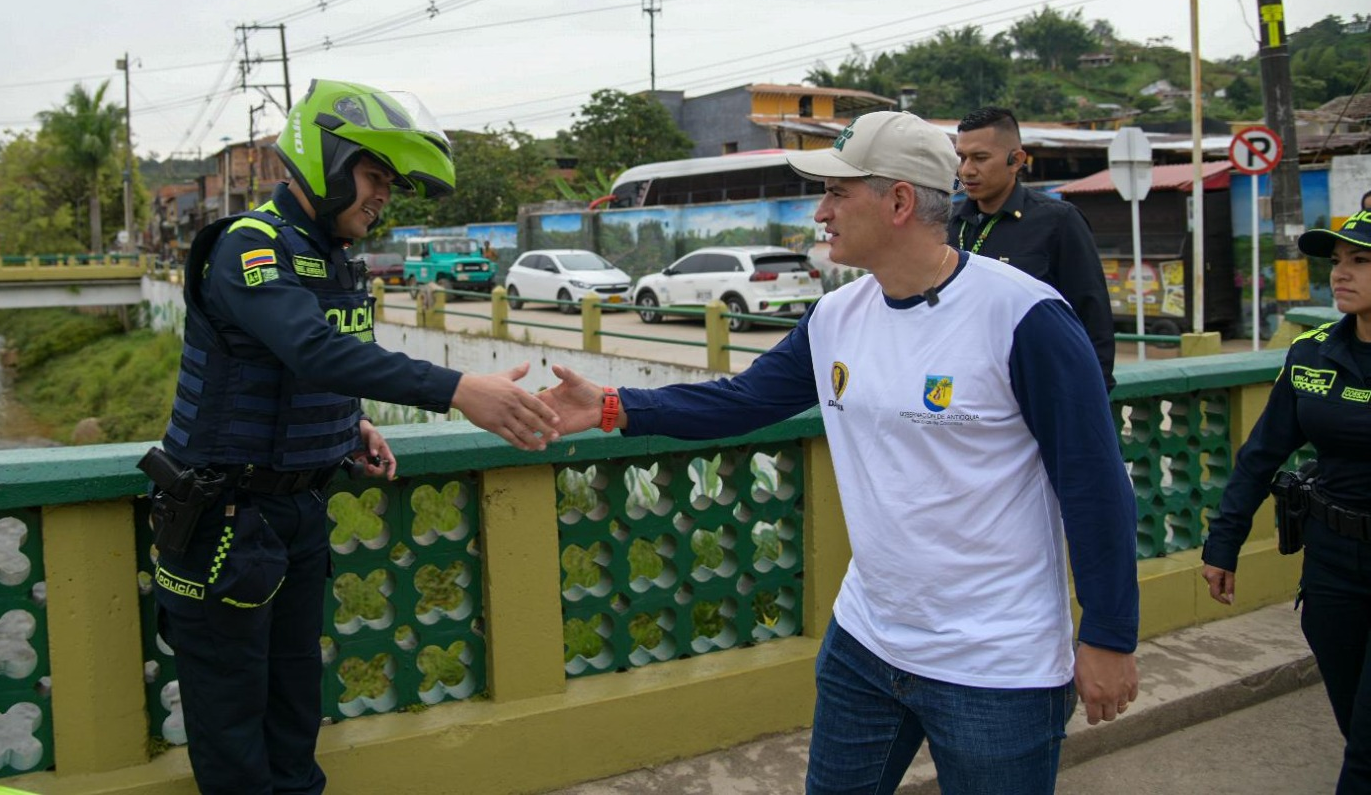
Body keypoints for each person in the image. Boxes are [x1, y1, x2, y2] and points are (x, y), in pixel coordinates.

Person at [535, 111, 1140, 795]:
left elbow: (1093, 482)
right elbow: (744, 400)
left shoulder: (1022, 316)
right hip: (866, 644)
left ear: (900, 202)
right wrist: (615, 406)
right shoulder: (836, 317)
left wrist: (1109, 634)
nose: (819, 212)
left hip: (992, 664)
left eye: (837, 194)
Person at [150, 79, 559, 795]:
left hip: (299, 514)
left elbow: (303, 367)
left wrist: (349, 422)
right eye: (374, 177)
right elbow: (311, 347)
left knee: (295, 703)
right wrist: (460, 390)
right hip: (224, 519)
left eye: (389, 185)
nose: (382, 197)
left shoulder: (336, 257)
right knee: (232, 720)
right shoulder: (250, 248)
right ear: (328, 163)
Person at [1201, 209, 1371, 794]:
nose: (1340, 274)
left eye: (1362, 261)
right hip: (1332, 566)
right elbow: (1260, 454)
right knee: (1355, 725)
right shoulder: (1314, 353)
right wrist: (1223, 540)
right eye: (1338, 262)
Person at [948, 106, 1116, 391]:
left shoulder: (1058, 221)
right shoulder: (949, 224)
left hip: (1037, 388)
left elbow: (1092, 314)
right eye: (962, 158)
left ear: (1016, 160)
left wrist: (1092, 395)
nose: (967, 170)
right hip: (965, 392)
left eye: (980, 158)